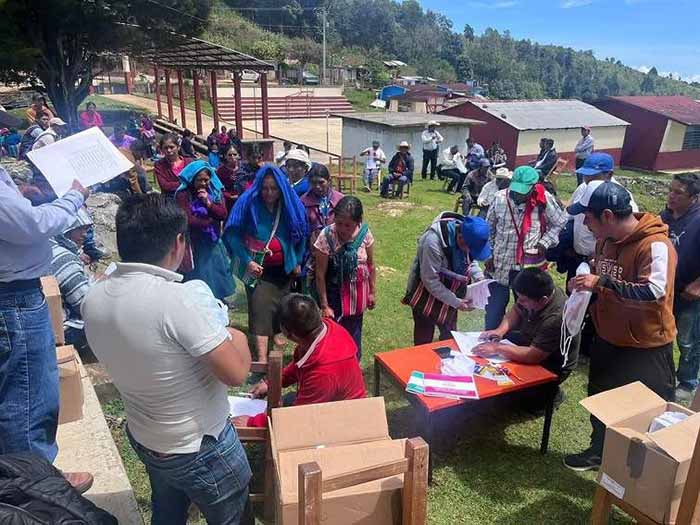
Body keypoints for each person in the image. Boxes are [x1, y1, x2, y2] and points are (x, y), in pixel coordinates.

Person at [82, 193, 252, 524]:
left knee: (168, 511)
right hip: (201, 446)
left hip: (148, 436)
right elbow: (235, 373)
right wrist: (238, 336)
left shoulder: (94, 296)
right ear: (178, 242)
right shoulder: (176, 300)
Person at [564, 181, 677, 471]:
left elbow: (655, 291)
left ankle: (649, 469)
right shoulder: (604, 241)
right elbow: (598, 271)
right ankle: (599, 451)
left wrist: (601, 282)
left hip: (645, 346)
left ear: (608, 216)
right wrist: (584, 281)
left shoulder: (654, 245)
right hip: (608, 338)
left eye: (588, 217)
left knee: (650, 410)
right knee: (601, 400)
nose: (584, 224)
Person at [0, 167, 93, 493]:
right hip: (14, 299)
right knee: (27, 395)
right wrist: (74, 196)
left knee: (16, 388)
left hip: (12, 295)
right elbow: (34, 225)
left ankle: (18, 475)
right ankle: (36, 485)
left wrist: (20, 198)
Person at [223, 165, 308, 367]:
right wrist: (247, 261)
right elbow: (232, 235)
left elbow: (302, 233)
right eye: (265, 188)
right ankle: (261, 360)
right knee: (259, 308)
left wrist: (296, 260)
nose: (269, 193)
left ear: (281, 188)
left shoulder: (290, 203)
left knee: (282, 307)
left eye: (274, 189)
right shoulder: (248, 203)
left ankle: (277, 340)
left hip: (284, 269)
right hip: (258, 269)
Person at [238, 294, 366, 428]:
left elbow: (298, 416)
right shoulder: (321, 330)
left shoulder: (324, 372)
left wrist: (253, 422)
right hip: (328, 403)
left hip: (343, 421)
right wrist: (272, 383)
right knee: (286, 401)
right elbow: (300, 365)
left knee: (285, 421)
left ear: (289, 333)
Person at [484, 166, 567, 330]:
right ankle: (491, 336)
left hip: (528, 265)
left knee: (527, 311)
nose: (518, 195)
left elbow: (560, 222)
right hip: (500, 263)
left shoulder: (544, 199)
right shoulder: (499, 198)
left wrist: (544, 242)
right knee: (494, 310)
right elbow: (489, 229)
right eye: (516, 190)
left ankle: (521, 339)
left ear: (533, 187)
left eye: (523, 191)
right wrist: (489, 254)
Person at [476, 268, 579, 381]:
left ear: (543, 300)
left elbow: (533, 355)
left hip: (551, 363)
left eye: (523, 300)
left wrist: (498, 348)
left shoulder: (556, 318)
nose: (519, 302)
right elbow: (517, 310)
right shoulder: (539, 292)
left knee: (504, 380)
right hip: (530, 341)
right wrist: (499, 331)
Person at [404, 214, 490, 345]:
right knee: (423, 340)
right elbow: (430, 280)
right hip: (426, 294)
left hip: (450, 294)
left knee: (450, 339)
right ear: (460, 238)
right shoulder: (432, 242)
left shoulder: (467, 238)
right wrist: (456, 302)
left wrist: (479, 276)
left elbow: (469, 258)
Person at [314, 196, 375, 358]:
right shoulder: (326, 236)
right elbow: (320, 274)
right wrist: (325, 305)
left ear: (358, 221)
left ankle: (353, 363)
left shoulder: (365, 233)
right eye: (339, 223)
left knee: (354, 333)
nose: (342, 229)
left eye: (348, 225)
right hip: (334, 296)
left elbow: (371, 265)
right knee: (333, 335)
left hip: (357, 296)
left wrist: (372, 292)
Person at [661, 173, 700, 403]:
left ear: (694, 198)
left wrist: (697, 285)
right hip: (666, 289)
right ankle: (663, 376)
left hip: (690, 293)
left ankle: (687, 381)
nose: (672, 196)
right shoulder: (665, 216)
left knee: (688, 339)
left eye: (678, 193)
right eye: (671, 190)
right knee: (662, 332)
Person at [175, 161, 235, 301]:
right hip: (194, 243)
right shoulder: (183, 194)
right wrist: (209, 222)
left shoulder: (214, 192)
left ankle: (218, 301)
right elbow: (187, 219)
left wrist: (208, 202)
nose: (203, 183)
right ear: (192, 179)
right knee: (199, 275)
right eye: (199, 180)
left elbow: (222, 214)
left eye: (206, 180)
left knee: (215, 274)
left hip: (212, 242)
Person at [49, 208, 94, 352]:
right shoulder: (65, 259)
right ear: (66, 229)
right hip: (65, 330)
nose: (84, 234)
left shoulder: (49, 246)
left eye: (86, 229)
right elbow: (86, 306)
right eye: (79, 228)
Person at [301, 163, 344, 248]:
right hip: (313, 247)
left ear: (329, 181)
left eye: (321, 182)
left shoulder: (340, 200)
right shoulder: (303, 202)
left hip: (339, 245)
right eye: (314, 183)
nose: (317, 186)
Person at [154, 133, 193, 197]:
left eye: (171, 147)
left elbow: (195, 181)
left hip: (190, 198)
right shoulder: (159, 165)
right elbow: (164, 185)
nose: (169, 150)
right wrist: (186, 183)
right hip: (170, 200)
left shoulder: (189, 162)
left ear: (178, 147)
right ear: (161, 150)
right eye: (165, 148)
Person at [217, 144, 242, 212]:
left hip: (242, 201)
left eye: (235, 154)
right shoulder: (221, 171)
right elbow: (218, 188)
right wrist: (229, 196)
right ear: (225, 156)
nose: (232, 157)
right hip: (227, 203)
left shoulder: (243, 169)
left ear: (239, 155)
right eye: (230, 155)